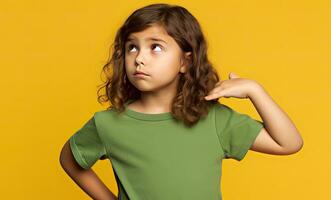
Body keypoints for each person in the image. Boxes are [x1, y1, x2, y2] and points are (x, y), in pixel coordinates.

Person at [59, 3, 303, 200]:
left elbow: (288, 143)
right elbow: (69, 159)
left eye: (155, 47)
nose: (139, 58)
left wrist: (255, 90)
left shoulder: (213, 119)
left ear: (185, 62)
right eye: (132, 47)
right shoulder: (108, 124)